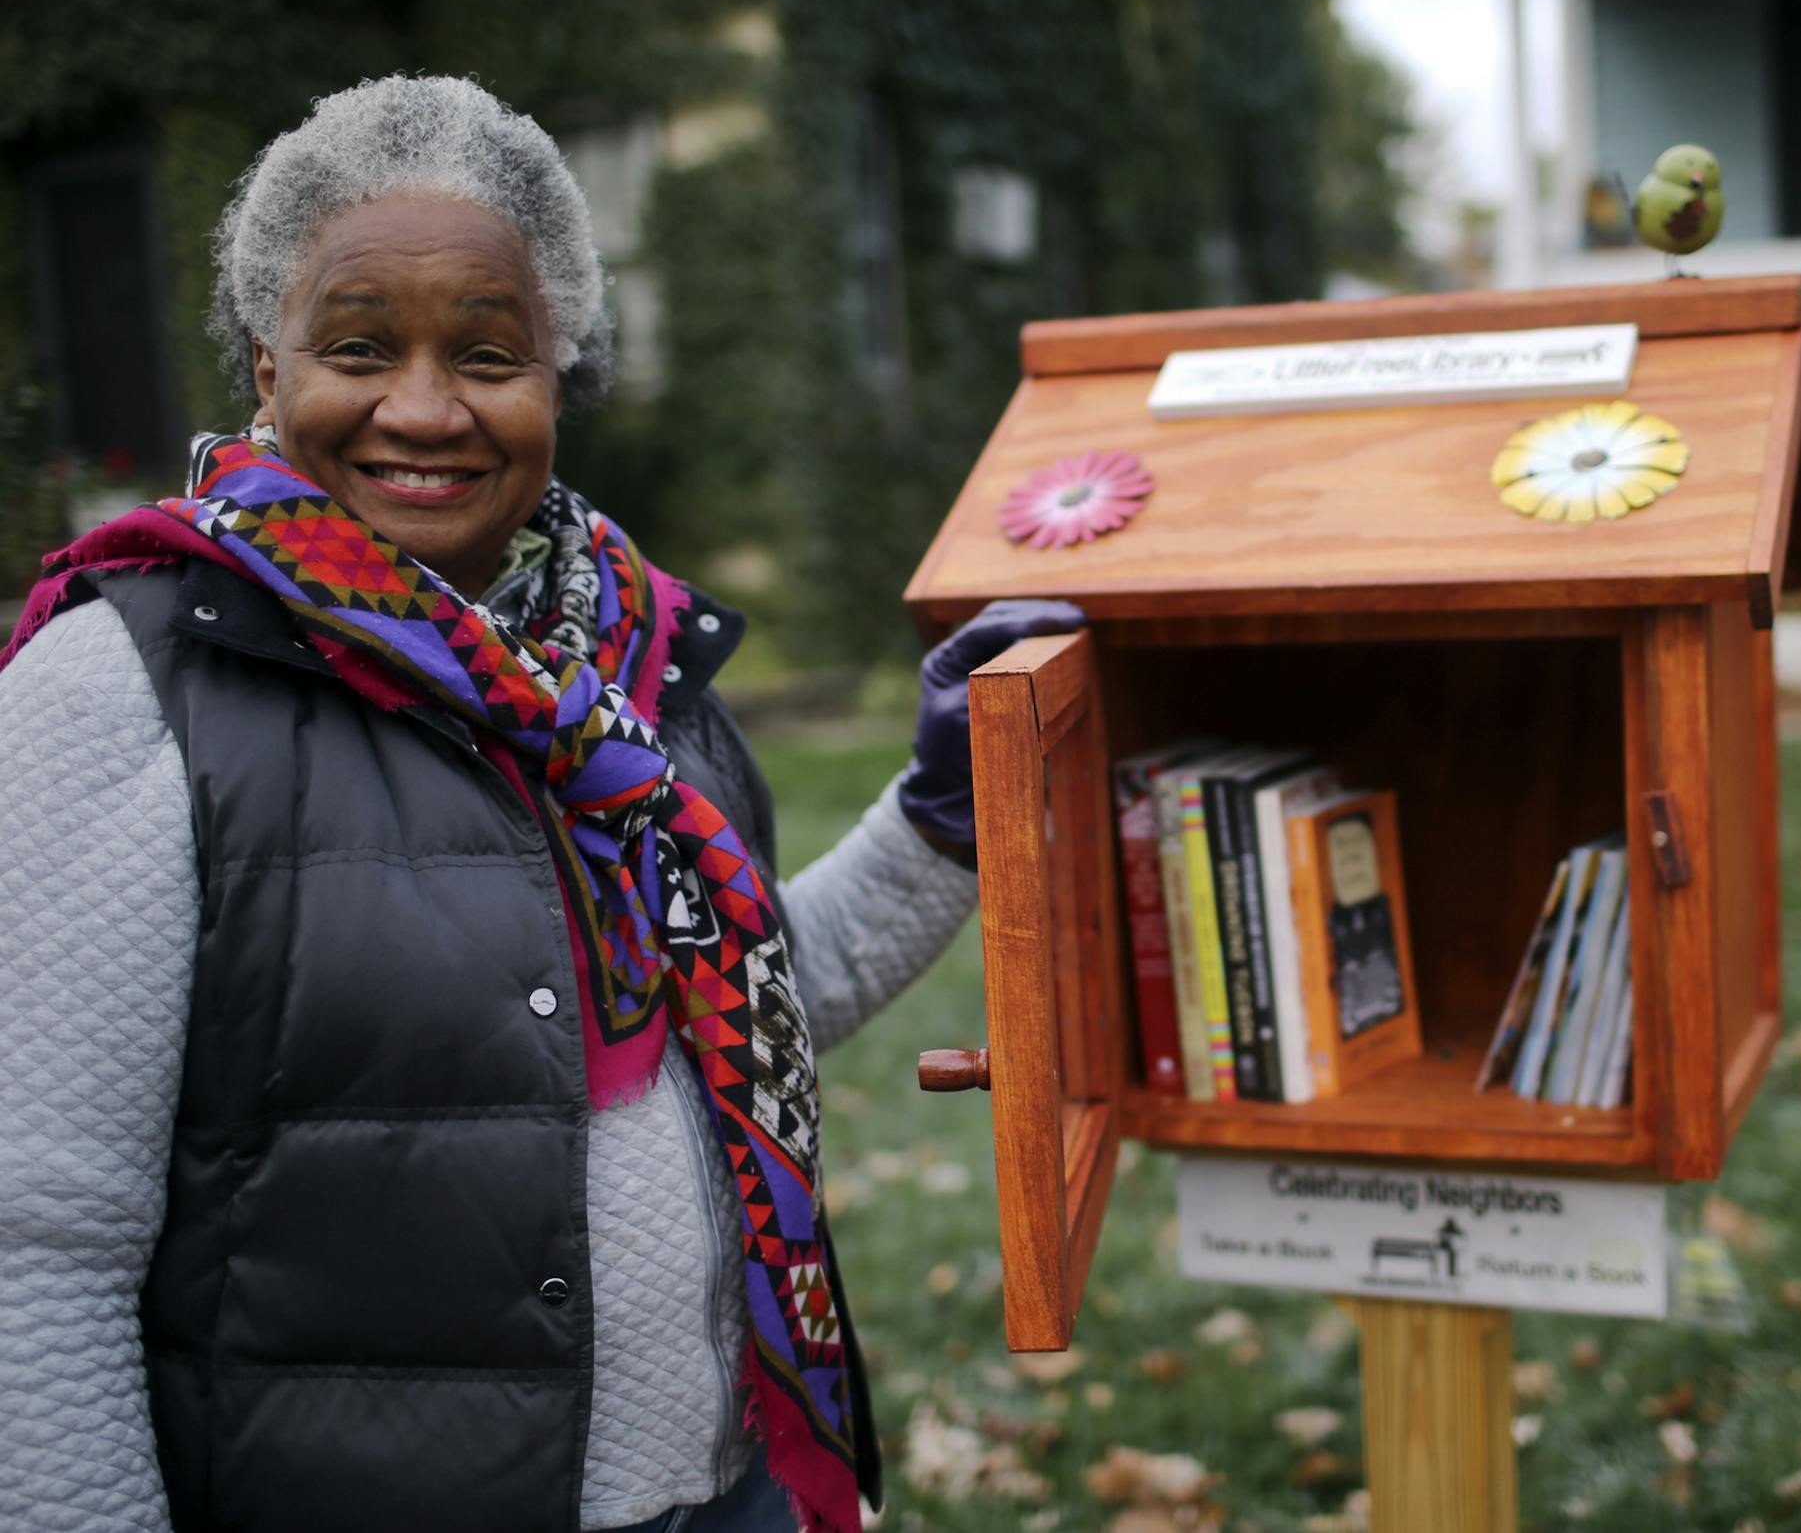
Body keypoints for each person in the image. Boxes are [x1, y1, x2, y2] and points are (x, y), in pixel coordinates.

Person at [0, 75, 1078, 1533]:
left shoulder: (631, 662)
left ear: (558, 369)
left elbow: (746, 1009)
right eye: (359, 346)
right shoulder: (130, 680)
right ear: (269, 367)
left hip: (731, 1494)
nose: (425, 407)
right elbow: (35, 1248)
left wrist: (946, 808)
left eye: (489, 352)